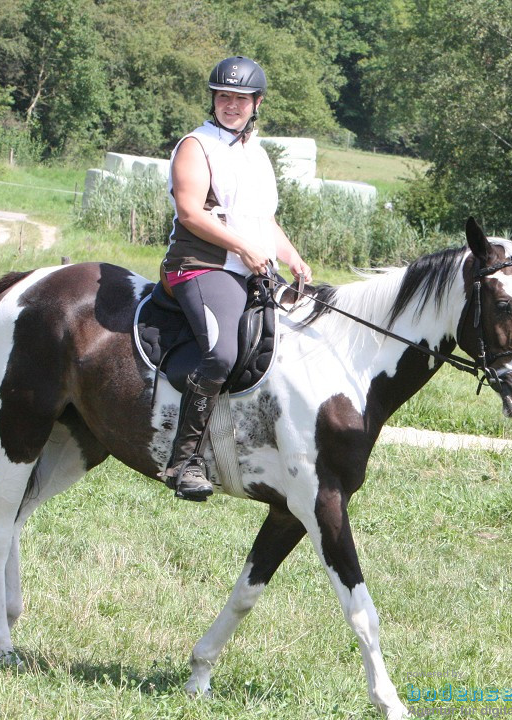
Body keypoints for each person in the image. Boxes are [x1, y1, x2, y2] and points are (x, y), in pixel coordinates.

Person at [160, 55, 312, 501]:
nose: (231, 105)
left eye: (240, 99)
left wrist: (294, 257)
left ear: (256, 103)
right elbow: (190, 213)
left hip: (252, 269)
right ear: (214, 100)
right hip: (201, 266)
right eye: (224, 97)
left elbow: (263, 220)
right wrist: (241, 247)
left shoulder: (257, 154)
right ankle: (184, 461)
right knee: (223, 353)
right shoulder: (196, 145)